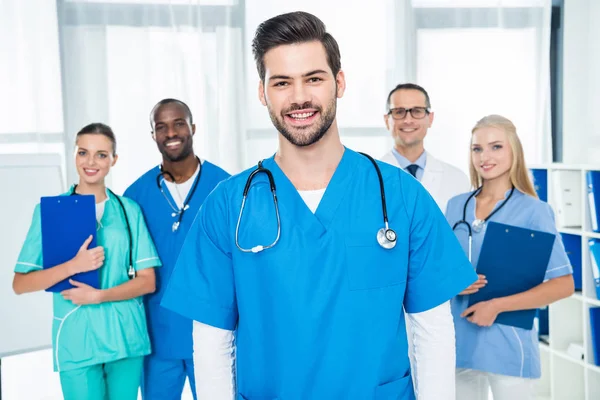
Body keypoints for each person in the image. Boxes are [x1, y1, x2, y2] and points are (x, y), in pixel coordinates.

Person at [160, 11, 477, 400]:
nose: (299, 97)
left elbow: (433, 330)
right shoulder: (227, 206)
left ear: (338, 83)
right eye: (281, 82)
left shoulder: (401, 196)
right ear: (262, 92)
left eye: (313, 78)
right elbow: (212, 341)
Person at [13, 123, 161, 400]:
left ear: (113, 160)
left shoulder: (129, 210)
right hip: (76, 339)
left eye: (101, 155)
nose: (91, 162)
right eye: (83, 153)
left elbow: (147, 281)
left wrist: (99, 296)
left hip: (125, 337)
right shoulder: (49, 211)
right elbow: (20, 284)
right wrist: (73, 266)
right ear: (74, 155)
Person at [445, 115, 575, 400]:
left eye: (496, 147)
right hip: (457, 346)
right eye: (477, 149)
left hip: (508, 348)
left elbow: (563, 285)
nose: (485, 156)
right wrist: (452, 282)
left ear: (513, 150)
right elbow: (440, 271)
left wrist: (496, 306)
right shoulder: (456, 206)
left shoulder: (533, 211)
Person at [123, 98, 230, 400]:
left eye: (178, 123)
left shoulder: (225, 187)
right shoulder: (136, 195)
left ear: (193, 127)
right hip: (159, 336)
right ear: (153, 135)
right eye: (161, 126)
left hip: (213, 331)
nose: (171, 132)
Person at [380, 83, 469, 213]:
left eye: (417, 111)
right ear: (387, 120)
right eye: (399, 112)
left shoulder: (457, 180)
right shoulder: (369, 178)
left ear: (430, 118)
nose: (408, 120)